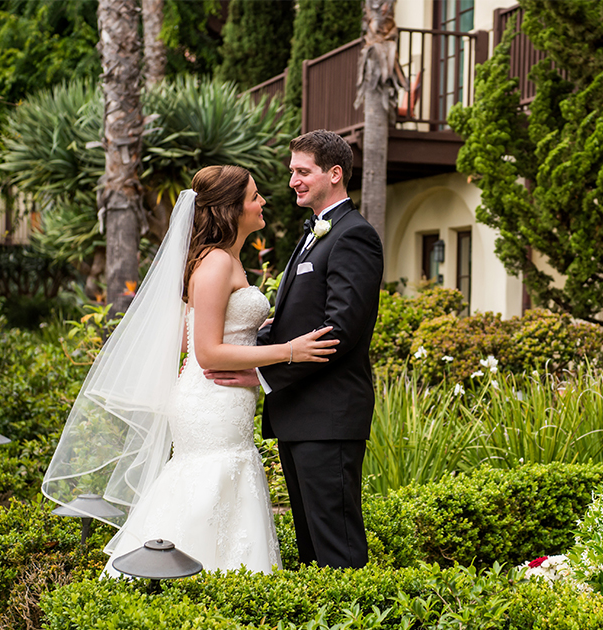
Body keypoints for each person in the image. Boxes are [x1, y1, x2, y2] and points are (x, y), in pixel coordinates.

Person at [43, 165, 339, 576]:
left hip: (221, 398)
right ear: (232, 209)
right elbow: (207, 353)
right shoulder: (216, 263)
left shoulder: (223, 259)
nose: (263, 202)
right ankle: (176, 580)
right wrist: (289, 351)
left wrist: (254, 330)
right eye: (255, 197)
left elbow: (189, 336)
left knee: (220, 484)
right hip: (212, 400)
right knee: (207, 485)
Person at [206, 130, 384, 569]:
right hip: (301, 415)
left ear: (335, 174)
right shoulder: (315, 235)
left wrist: (263, 371)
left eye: (303, 172)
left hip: (329, 416)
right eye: (292, 172)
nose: (292, 182)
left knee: (336, 548)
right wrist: (254, 344)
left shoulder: (354, 236)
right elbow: (298, 323)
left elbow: (338, 331)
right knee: (312, 551)